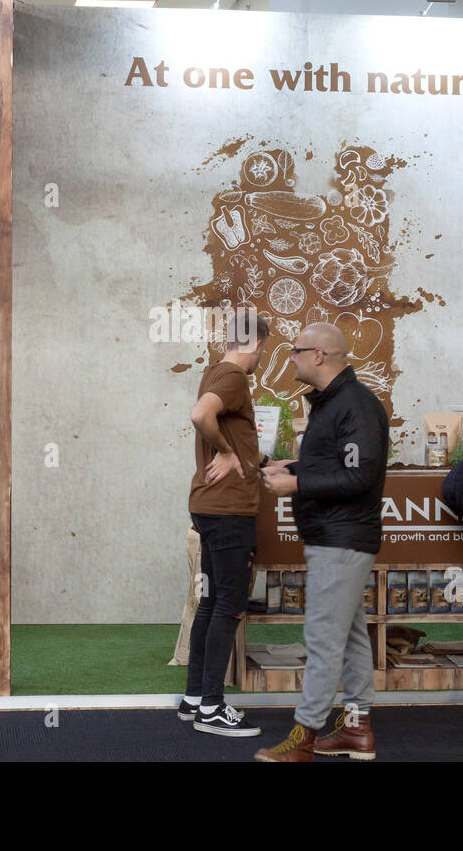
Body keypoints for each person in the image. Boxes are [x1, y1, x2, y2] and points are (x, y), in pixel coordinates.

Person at [254, 323, 388, 761]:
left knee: (322, 638)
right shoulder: (336, 404)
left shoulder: (355, 405)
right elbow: (335, 462)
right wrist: (290, 467)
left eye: (295, 351)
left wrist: (295, 484)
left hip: (342, 538)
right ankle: (356, 732)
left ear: (319, 356)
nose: (289, 358)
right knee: (348, 638)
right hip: (335, 536)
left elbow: (360, 475)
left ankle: (304, 738)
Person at [183, 309, 269, 737]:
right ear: (255, 344)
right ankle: (213, 707)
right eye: (263, 350)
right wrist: (228, 453)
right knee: (229, 605)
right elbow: (201, 416)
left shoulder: (215, 372)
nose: (261, 358)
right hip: (228, 510)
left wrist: (254, 460)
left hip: (211, 506)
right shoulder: (234, 377)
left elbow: (218, 424)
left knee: (212, 601)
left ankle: (195, 697)